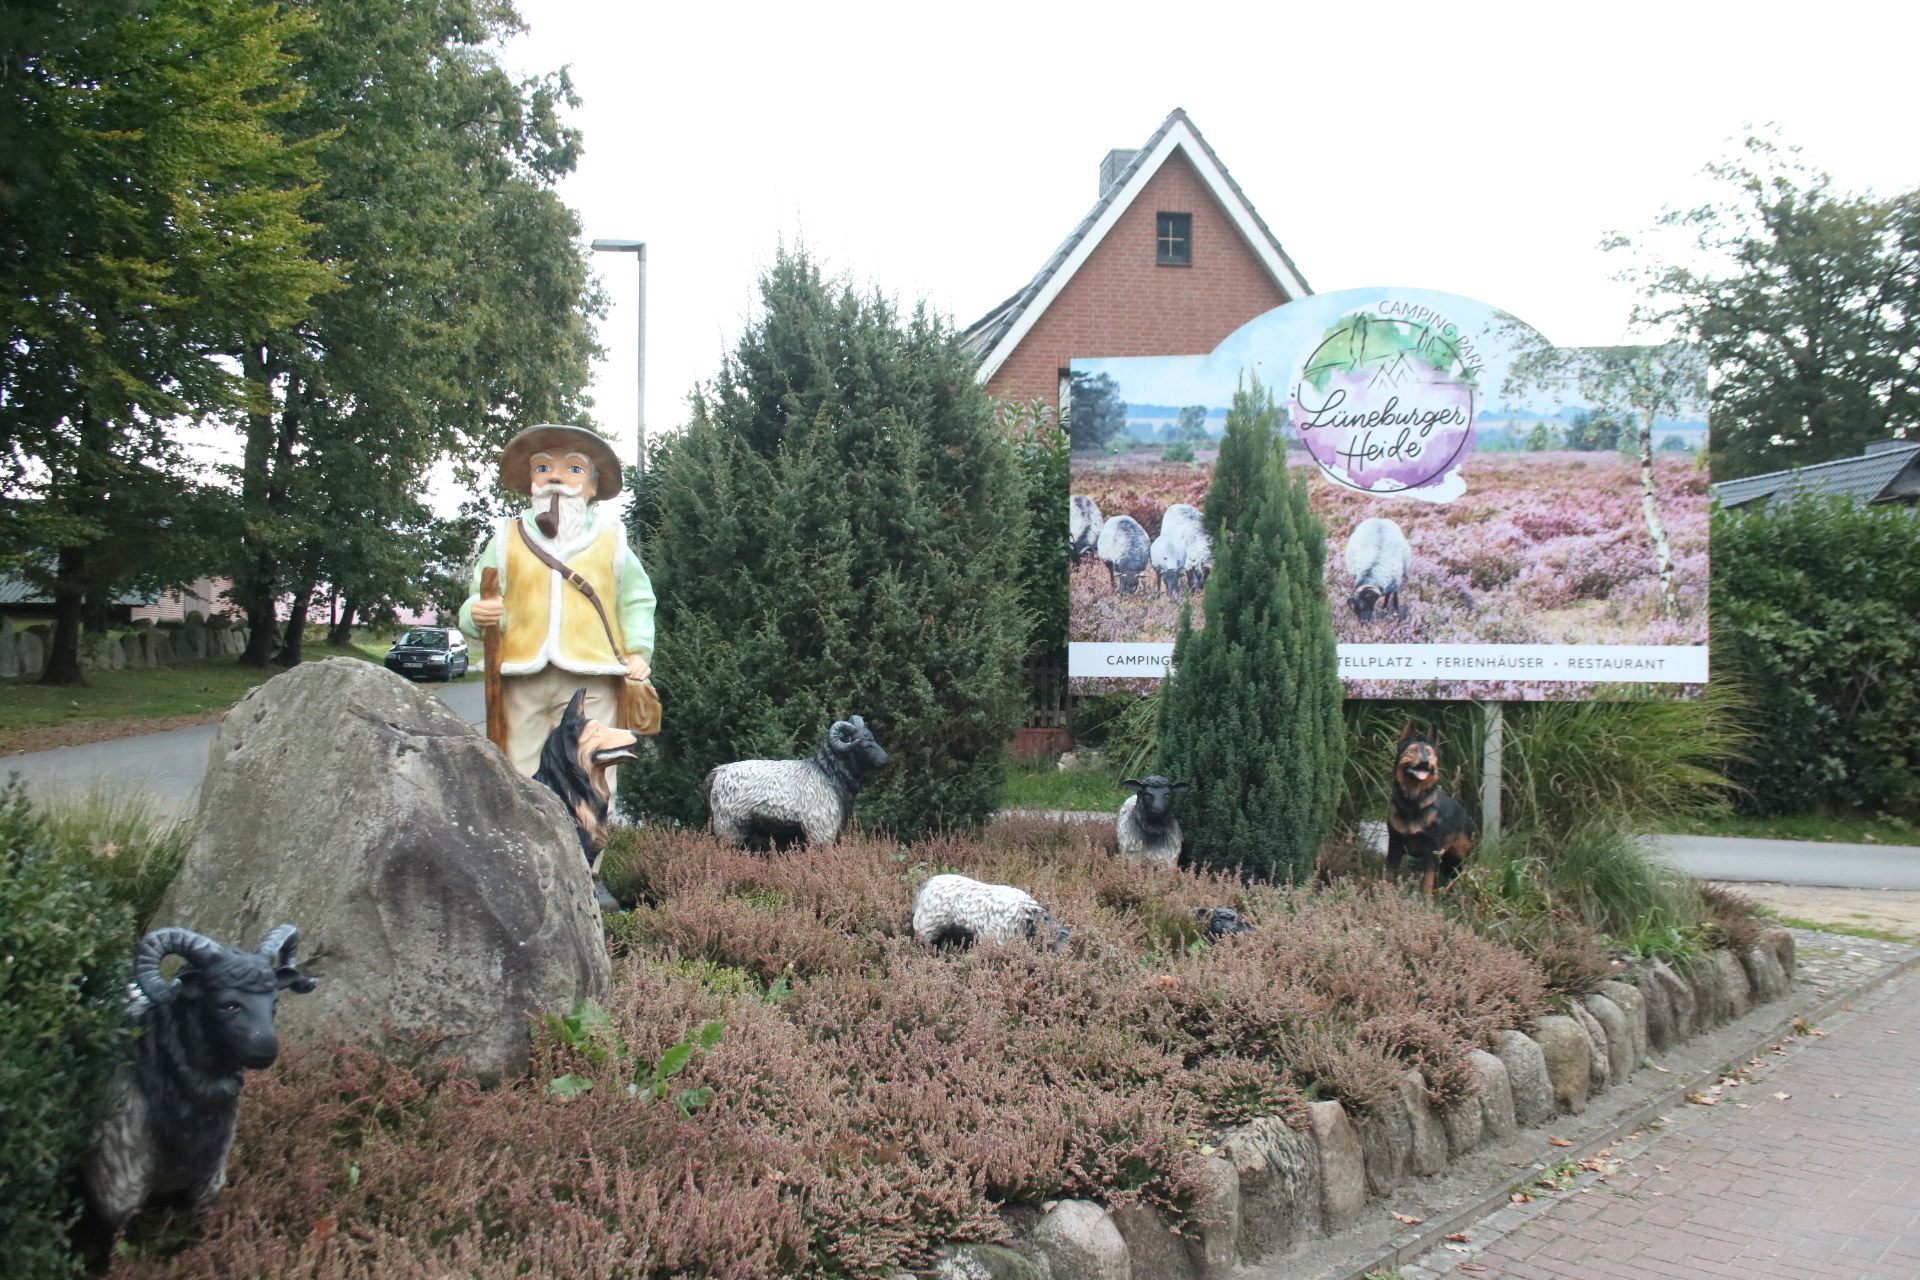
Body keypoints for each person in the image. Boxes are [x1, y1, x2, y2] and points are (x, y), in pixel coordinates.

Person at [459, 424, 655, 777]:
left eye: (574, 469)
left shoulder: (612, 541)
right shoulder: (506, 538)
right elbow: (480, 596)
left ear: (593, 486)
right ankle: (524, 831)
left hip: (593, 675)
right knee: (519, 763)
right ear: (532, 480)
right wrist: (478, 613)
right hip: (522, 675)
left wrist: (638, 652)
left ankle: (589, 832)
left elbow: (636, 601)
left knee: (592, 767)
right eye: (544, 468)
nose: (556, 478)